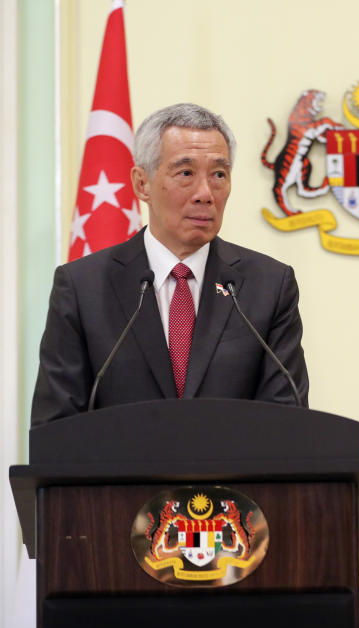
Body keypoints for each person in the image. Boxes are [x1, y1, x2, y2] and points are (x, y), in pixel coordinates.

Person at [31, 103, 308, 426]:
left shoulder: (269, 285)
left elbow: (288, 427)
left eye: (219, 174)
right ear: (142, 184)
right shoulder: (82, 287)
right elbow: (56, 430)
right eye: (186, 173)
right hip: (119, 476)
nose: (205, 193)